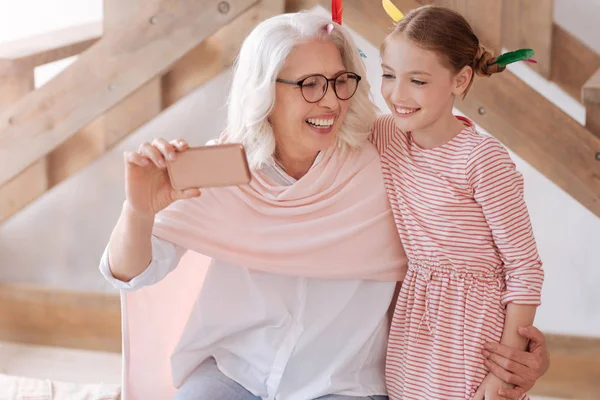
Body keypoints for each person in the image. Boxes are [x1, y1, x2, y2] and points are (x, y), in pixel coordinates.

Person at [99, 11, 549, 400]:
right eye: (309, 85)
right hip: (235, 373)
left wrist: (515, 353)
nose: (331, 100)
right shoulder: (226, 167)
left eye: (339, 82)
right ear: (264, 91)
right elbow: (135, 273)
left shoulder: (387, 160)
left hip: (344, 384)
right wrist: (138, 211)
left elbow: (478, 253)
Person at [373, 6, 545, 400]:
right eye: (387, 74)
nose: (397, 95)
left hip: (472, 331)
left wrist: (504, 369)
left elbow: (524, 268)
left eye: (417, 80)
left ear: (460, 79)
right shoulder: (387, 136)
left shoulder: (482, 159)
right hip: (413, 325)